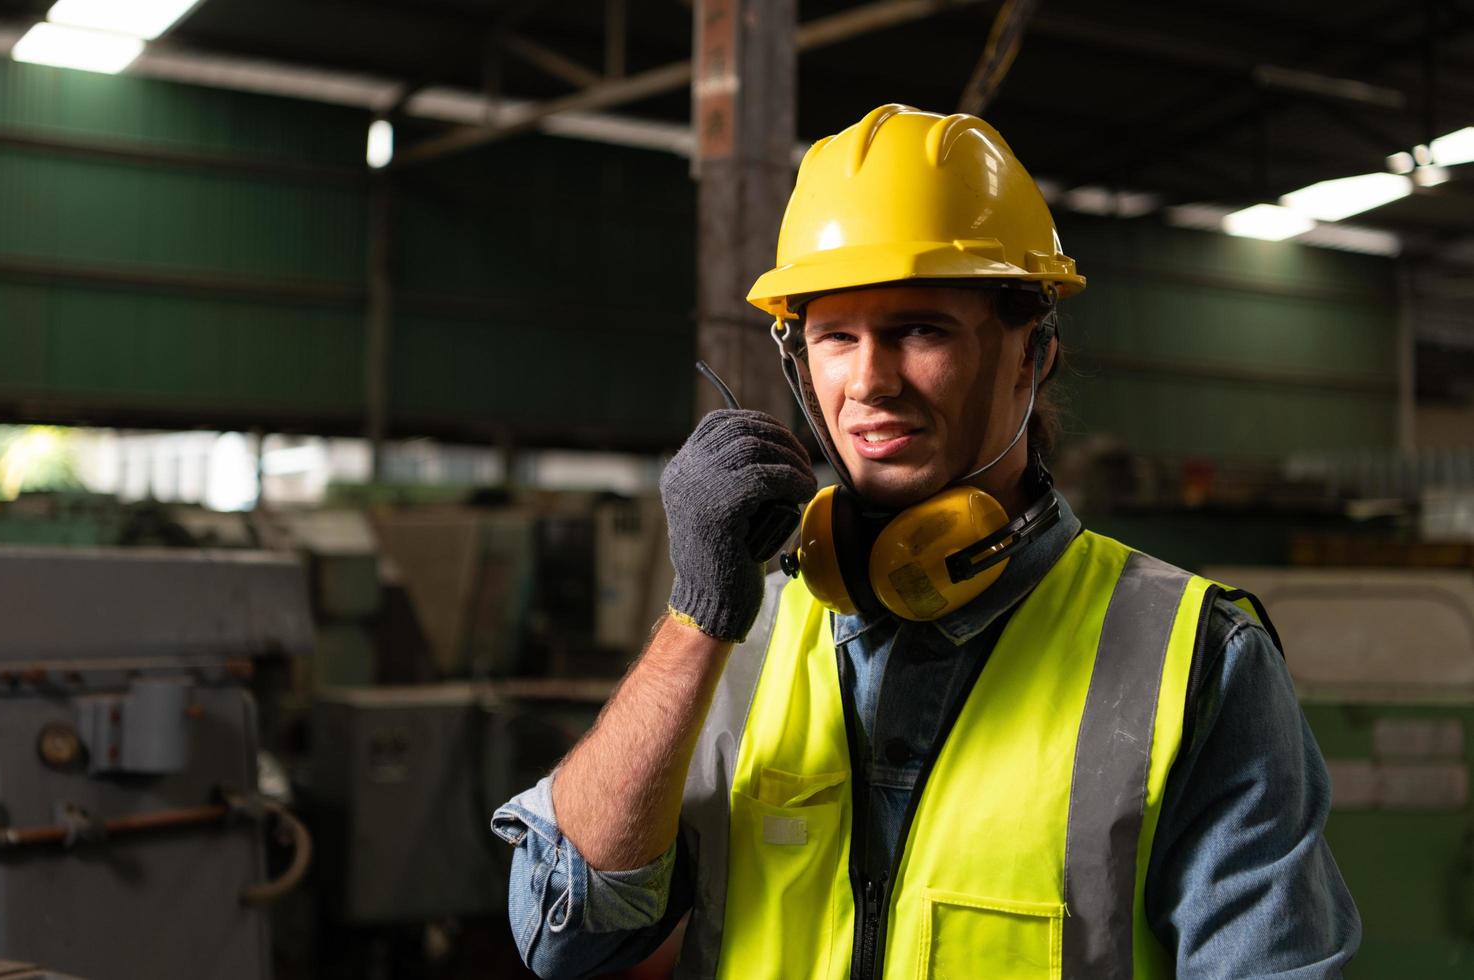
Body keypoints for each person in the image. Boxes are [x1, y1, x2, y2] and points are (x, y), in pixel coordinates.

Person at [492, 105, 1359, 979]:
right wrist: (698, 615)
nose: (869, 382)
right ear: (799, 360)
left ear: (1033, 352)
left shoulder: (1198, 661)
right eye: (836, 337)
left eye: (919, 330)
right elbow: (567, 930)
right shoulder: (745, 639)